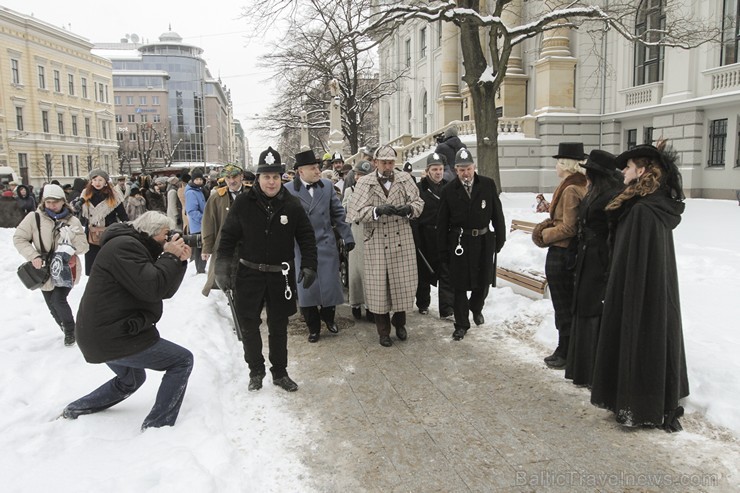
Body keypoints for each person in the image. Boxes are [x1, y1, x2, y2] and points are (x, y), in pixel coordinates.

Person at [62, 211, 193, 431]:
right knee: (181, 361)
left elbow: (164, 290)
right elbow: (152, 288)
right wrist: (169, 256)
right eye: (165, 234)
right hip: (112, 335)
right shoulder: (125, 247)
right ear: (149, 233)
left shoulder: (137, 247)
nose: (168, 239)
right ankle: (157, 427)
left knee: (131, 380)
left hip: (107, 331)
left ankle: (75, 409)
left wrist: (178, 262)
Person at [590, 141, 689, 432]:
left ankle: (641, 404)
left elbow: (641, 261)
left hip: (643, 291)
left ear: (642, 170)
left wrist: (627, 290)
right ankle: (628, 400)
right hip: (634, 287)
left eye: (629, 166)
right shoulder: (639, 204)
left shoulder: (645, 210)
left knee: (642, 338)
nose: (623, 171)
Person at [215, 147, 317, 392]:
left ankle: (280, 373)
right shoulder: (243, 203)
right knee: (249, 326)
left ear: (281, 177)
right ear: (258, 179)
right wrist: (222, 269)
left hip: (279, 277)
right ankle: (256, 370)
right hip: (248, 275)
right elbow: (227, 238)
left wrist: (309, 265)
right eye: (266, 177)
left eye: (275, 177)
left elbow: (306, 236)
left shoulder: (292, 204)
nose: (271, 182)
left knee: (278, 327)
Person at [347, 145, 424, 347]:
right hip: (377, 239)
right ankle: (383, 332)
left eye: (391, 162)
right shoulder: (365, 182)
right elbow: (354, 213)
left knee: (401, 284)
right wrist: (376, 211)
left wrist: (409, 209)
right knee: (378, 287)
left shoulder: (405, 179)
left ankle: (400, 323)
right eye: (384, 162)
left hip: (401, 239)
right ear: (375, 163)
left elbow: (419, 203)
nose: (388, 166)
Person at [565, 150, 623, 387]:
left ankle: (593, 370)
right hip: (587, 255)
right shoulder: (595, 192)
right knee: (583, 306)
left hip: (599, 257)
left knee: (593, 308)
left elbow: (611, 231)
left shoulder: (610, 195)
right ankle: (583, 368)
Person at [437, 148, 506, 341]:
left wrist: (500, 239)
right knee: (459, 286)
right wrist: (443, 250)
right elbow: (442, 223)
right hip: (459, 243)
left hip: (483, 241)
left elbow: (497, 215)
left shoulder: (487, 185)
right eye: (461, 169)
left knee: (482, 283)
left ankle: (476, 307)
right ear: (455, 170)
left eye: (468, 168)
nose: (465, 173)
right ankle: (461, 324)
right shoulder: (449, 191)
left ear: (474, 167)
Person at [287, 150, 354, 343]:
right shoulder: (289, 190)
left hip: (326, 245)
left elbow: (338, 214)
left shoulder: (326, 186)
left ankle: (329, 318)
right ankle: (313, 327)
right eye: (313, 168)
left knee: (329, 286)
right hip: (301, 248)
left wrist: (347, 236)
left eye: (317, 167)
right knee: (307, 290)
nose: (318, 171)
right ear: (301, 171)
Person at [531, 143, 588, 368]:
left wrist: (544, 234)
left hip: (562, 253)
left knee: (563, 305)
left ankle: (566, 351)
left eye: (558, 161)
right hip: (566, 252)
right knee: (565, 304)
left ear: (565, 164)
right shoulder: (574, 185)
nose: (555, 165)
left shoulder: (571, 188)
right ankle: (566, 349)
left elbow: (569, 227)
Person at [13, 184, 89, 346]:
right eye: (48, 202)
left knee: (58, 299)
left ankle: (71, 331)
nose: (52, 205)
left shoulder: (72, 220)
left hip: (67, 267)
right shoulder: (34, 218)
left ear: (63, 201)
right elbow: (19, 238)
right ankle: (63, 327)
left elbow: (84, 248)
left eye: (56, 201)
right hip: (44, 268)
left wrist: (72, 236)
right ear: (43, 202)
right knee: (51, 304)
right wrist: (33, 255)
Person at [414, 153, 454, 318]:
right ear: (427, 170)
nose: (438, 172)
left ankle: (446, 308)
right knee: (423, 273)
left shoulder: (449, 187)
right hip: (425, 235)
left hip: (444, 235)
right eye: (435, 169)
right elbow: (414, 215)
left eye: (441, 169)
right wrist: (416, 239)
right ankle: (423, 303)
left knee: (446, 271)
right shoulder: (419, 188)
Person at [201, 164, 247, 297]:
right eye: (228, 177)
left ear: (241, 176)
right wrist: (207, 247)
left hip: (249, 245)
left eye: (235, 177)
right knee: (225, 275)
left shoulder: (252, 194)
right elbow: (208, 223)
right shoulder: (217, 198)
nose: (232, 181)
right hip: (225, 246)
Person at [79, 169, 128, 275]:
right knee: (93, 266)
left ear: (105, 182)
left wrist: (128, 226)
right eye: (95, 180)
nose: (97, 183)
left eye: (100, 180)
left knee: (108, 263)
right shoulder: (85, 195)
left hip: (109, 233)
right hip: (91, 235)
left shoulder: (114, 196)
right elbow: (80, 214)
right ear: (91, 181)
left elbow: (122, 214)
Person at [342, 160, 374, 322]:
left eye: (361, 175)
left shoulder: (375, 191)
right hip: (355, 232)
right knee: (355, 271)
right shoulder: (349, 191)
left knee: (370, 273)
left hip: (370, 233)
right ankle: (355, 303)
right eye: (357, 174)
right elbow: (344, 209)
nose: (358, 178)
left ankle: (370, 306)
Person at [185, 169, 207, 274]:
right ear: (192, 180)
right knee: (200, 248)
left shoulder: (198, 190)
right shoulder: (191, 192)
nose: (199, 181)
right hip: (198, 225)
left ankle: (201, 269)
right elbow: (192, 211)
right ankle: (200, 269)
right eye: (197, 179)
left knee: (201, 247)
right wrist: (204, 219)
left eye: (200, 179)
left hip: (200, 224)